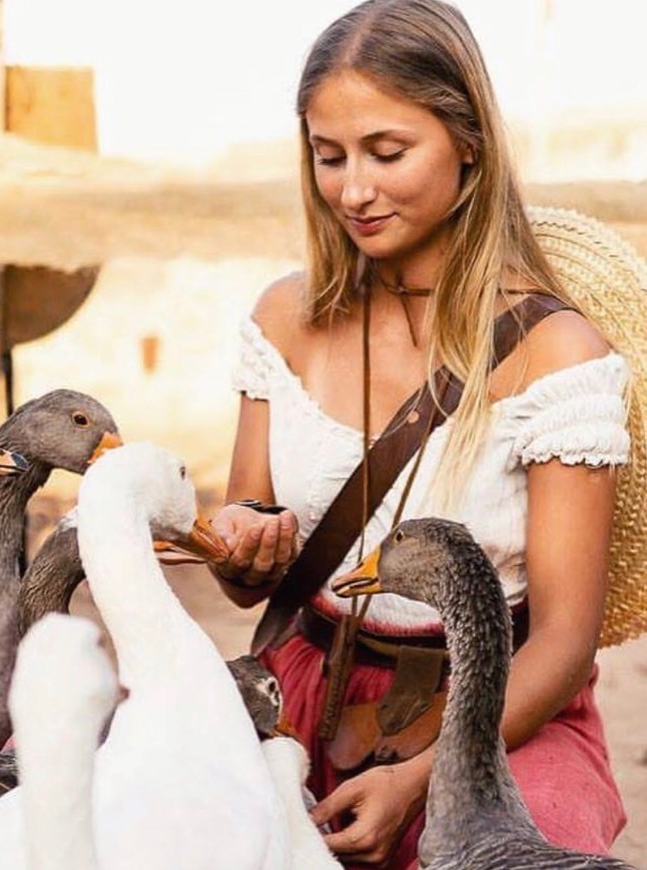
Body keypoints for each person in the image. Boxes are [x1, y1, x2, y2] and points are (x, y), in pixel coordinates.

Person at [208, 1, 631, 867]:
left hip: (500, 711)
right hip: (300, 686)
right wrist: (240, 542)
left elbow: (563, 642)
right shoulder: (284, 319)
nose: (352, 190)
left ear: (468, 141)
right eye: (329, 157)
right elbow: (248, 570)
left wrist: (423, 780)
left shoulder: (556, 356)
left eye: (387, 153)